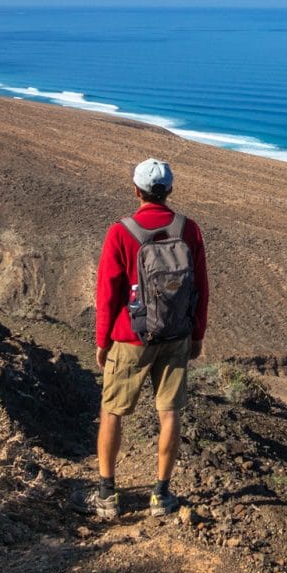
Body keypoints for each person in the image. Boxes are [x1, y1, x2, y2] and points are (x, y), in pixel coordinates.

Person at [90, 157, 209, 519]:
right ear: (169, 190)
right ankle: (161, 495)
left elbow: (108, 292)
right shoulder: (189, 230)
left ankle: (107, 495)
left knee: (112, 410)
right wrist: (197, 334)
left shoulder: (121, 231)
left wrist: (102, 340)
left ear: (136, 190)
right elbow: (201, 288)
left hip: (130, 337)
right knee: (169, 412)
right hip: (176, 335)